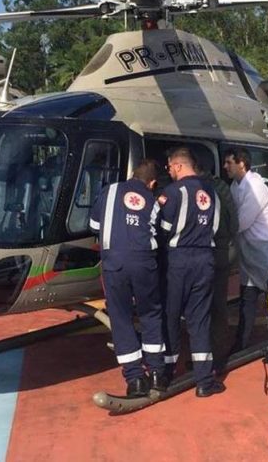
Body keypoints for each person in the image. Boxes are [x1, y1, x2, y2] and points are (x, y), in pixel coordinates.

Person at [89, 159, 166, 397]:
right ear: (152, 183)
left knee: (120, 317)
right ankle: (156, 373)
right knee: (150, 313)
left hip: (115, 264)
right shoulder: (153, 201)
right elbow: (160, 231)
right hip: (144, 263)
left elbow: (94, 225)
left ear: (132, 174)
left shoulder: (109, 190)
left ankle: (135, 379)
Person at [159, 147, 225, 397]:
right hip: (205, 258)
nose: (169, 173)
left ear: (177, 166)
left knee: (171, 315)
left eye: (169, 168)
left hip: (179, 260)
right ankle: (204, 381)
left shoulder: (172, 192)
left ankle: (166, 372)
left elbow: (163, 228)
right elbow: (217, 227)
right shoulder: (211, 191)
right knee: (199, 319)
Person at [223, 147, 268, 352]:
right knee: (247, 295)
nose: (225, 167)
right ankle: (241, 342)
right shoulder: (235, 185)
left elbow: (242, 221)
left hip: (266, 247)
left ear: (242, 164)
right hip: (249, 247)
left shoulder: (256, 187)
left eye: (229, 163)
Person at [206, 172, 237, 373]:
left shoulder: (194, 190)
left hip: (208, 256)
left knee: (209, 309)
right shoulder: (222, 188)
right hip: (220, 253)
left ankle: (210, 359)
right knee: (217, 307)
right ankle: (215, 357)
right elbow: (234, 223)